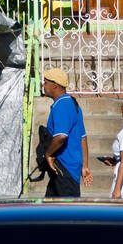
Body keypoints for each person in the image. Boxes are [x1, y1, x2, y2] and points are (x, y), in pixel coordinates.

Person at [42, 67, 92, 198]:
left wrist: (48, 154)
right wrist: (84, 166)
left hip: (64, 169)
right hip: (68, 169)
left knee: (69, 215)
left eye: (46, 82)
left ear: (55, 86)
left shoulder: (61, 105)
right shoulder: (72, 103)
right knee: (50, 212)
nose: (43, 85)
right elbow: (82, 137)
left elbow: (61, 137)